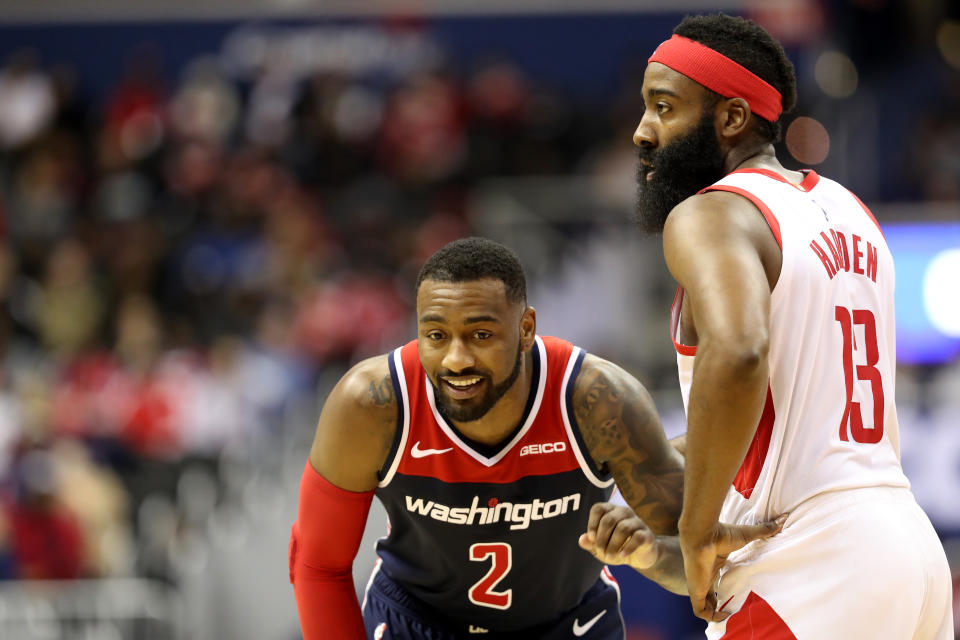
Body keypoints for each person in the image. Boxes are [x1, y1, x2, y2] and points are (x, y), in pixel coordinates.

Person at [623, 12, 953, 639]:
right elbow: (792, 415)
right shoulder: (850, 211)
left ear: (730, 118)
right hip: (909, 550)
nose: (642, 131)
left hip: (812, 560)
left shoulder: (710, 214)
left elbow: (741, 352)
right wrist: (641, 463)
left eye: (664, 107)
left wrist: (695, 532)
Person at [288, 237, 778, 639]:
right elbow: (318, 564)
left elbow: (688, 559)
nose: (456, 359)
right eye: (435, 335)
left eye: (481, 335)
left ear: (526, 329)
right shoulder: (373, 403)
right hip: (418, 623)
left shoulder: (598, 401)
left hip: (568, 624)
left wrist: (648, 553)